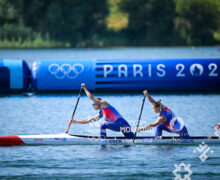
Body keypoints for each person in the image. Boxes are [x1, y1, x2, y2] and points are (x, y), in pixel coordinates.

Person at [70, 83, 135, 139]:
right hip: (123, 126)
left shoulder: (104, 103)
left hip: (121, 123)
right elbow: (89, 120)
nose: (93, 106)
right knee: (132, 139)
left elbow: (91, 97)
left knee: (102, 125)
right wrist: (75, 121)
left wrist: (84, 88)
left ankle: (102, 140)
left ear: (98, 103)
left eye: (94, 104)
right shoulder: (101, 113)